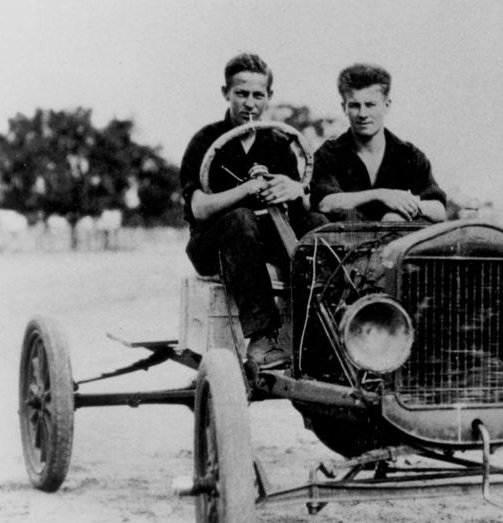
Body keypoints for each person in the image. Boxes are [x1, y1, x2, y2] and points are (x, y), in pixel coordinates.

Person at [179, 53, 324, 369]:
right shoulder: (205, 140)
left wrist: (295, 189)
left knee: (317, 225)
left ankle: (323, 331)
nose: (249, 103)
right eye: (241, 94)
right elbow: (199, 208)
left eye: (258, 95)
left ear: (269, 97)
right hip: (212, 242)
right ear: (225, 93)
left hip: (263, 236)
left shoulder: (277, 144)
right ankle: (262, 339)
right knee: (242, 219)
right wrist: (245, 190)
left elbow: (300, 206)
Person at [310, 63, 447, 222]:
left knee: (395, 219)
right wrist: (381, 195)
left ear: (386, 105)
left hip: (398, 242)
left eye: (370, 105)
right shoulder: (329, 153)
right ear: (344, 108)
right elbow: (325, 204)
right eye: (354, 105)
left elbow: (439, 209)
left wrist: (406, 206)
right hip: (345, 244)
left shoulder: (408, 154)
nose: (362, 114)